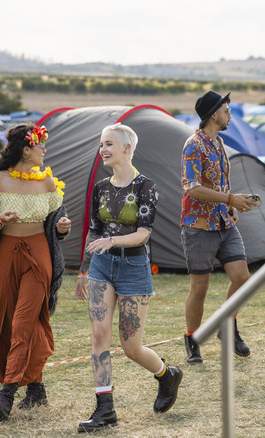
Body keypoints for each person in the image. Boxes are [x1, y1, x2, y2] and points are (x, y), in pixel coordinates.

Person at [75, 123, 183, 433]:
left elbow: (143, 235)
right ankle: (105, 410)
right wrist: (85, 266)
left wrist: (113, 241)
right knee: (99, 335)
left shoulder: (146, 186)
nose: (103, 150)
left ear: (127, 148)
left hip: (134, 268)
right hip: (101, 267)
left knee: (131, 347)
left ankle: (166, 375)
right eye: (100, 145)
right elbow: (95, 230)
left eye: (109, 144)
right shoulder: (100, 187)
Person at [0, 122, 71, 420]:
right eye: (40, 145)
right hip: (4, 256)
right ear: (25, 149)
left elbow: (57, 226)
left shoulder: (49, 184)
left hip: (39, 255)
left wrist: (62, 228)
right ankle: (36, 387)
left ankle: (7, 392)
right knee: (11, 318)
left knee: (25, 320)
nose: (44, 150)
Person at [180, 90, 260, 363]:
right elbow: (192, 189)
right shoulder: (193, 145)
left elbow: (220, 184)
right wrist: (230, 199)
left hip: (224, 222)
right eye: (226, 111)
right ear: (214, 114)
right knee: (199, 288)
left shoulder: (219, 142)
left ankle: (227, 325)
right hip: (198, 226)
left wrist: (233, 204)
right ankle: (192, 338)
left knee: (242, 278)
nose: (230, 115)